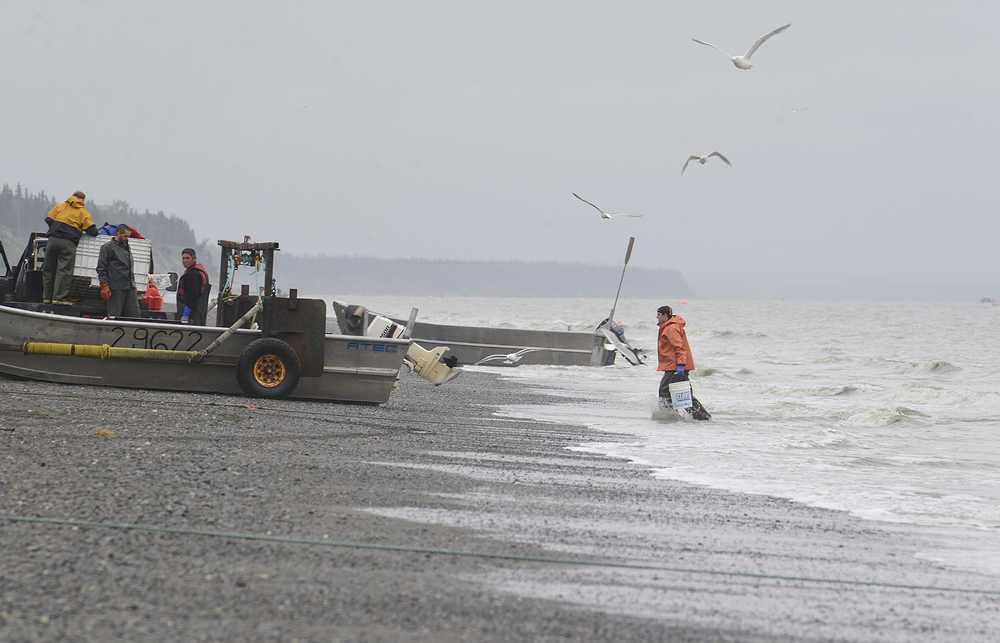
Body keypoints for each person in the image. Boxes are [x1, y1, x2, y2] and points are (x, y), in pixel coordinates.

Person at [42, 190, 98, 304]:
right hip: (68, 243)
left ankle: (46, 297)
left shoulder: (60, 207)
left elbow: (48, 219)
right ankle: (58, 298)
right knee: (64, 271)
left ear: (72, 197)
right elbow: (93, 231)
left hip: (52, 240)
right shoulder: (83, 213)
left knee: (48, 269)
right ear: (82, 200)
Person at [656, 304, 711, 420]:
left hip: (676, 366)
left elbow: (679, 348)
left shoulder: (670, 328)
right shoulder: (669, 326)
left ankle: (671, 416)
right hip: (674, 365)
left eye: (659, 315)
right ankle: (699, 417)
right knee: (680, 394)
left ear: (665, 315)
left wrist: (681, 365)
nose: (657, 317)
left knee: (666, 392)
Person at [96, 224, 140, 318]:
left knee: (134, 315)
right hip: (116, 288)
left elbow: (129, 268)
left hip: (129, 287)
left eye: (128, 236)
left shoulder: (127, 246)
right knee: (114, 315)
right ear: (118, 234)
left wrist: (133, 284)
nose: (127, 238)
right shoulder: (107, 247)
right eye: (125, 236)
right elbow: (101, 268)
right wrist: (104, 286)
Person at [176, 248, 210, 324]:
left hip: (192, 316)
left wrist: (186, 314)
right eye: (183, 258)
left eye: (187, 258)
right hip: (199, 314)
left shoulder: (193, 275)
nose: (185, 260)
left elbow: (193, 296)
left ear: (194, 259)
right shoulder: (199, 272)